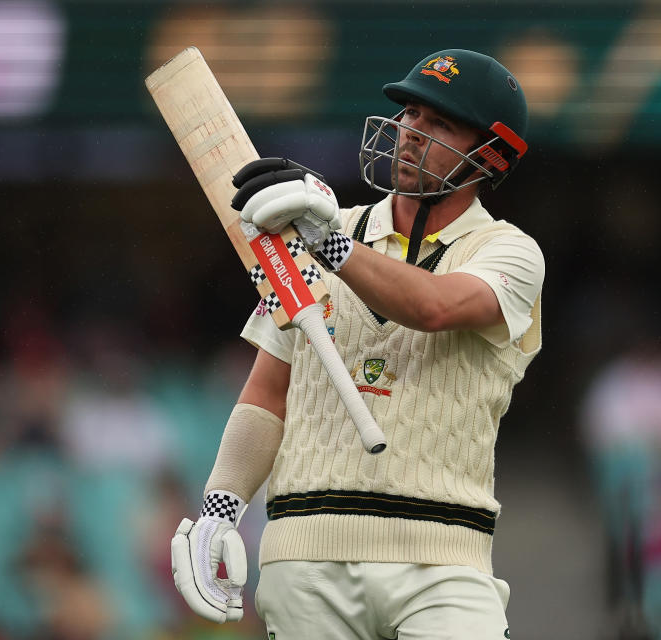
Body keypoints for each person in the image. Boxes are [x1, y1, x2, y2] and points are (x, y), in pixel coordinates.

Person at [170, 48, 545, 639]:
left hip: (442, 564)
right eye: (411, 115)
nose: (411, 133)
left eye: (440, 123)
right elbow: (269, 392)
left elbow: (434, 305)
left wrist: (329, 243)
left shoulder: (510, 253)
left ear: (490, 154)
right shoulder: (318, 229)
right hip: (305, 556)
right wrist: (219, 511)